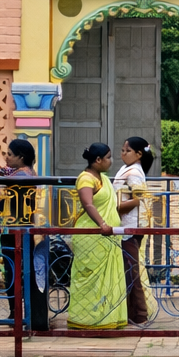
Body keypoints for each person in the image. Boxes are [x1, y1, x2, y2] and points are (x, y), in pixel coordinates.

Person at [69, 143, 131, 330]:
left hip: (108, 236)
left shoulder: (102, 177)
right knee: (88, 277)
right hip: (92, 236)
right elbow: (88, 204)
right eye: (108, 157)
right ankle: (85, 319)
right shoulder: (86, 179)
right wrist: (102, 224)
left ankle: (105, 318)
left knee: (108, 279)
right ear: (98, 160)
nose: (111, 161)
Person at [0, 138, 49, 331]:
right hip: (26, 228)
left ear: (21, 157)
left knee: (12, 272)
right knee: (24, 270)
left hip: (13, 229)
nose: (6, 157)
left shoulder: (17, 177)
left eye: (9, 154)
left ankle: (15, 313)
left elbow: (0, 206)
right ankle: (24, 312)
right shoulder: (30, 174)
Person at [112, 136, 159, 324]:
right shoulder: (128, 169)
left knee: (132, 270)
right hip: (125, 224)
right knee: (128, 269)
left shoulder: (135, 173)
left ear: (138, 154)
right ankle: (131, 312)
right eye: (122, 150)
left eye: (127, 150)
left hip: (131, 226)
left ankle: (140, 314)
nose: (123, 154)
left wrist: (115, 207)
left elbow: (139, 199)